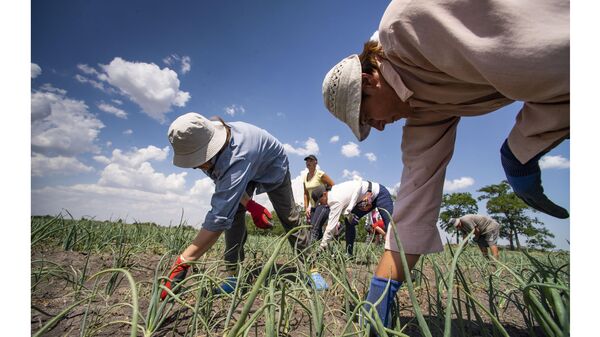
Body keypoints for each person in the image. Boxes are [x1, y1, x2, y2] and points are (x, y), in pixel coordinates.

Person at [321, 0, 569, 330]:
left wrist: (520, 148)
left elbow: (560, 59)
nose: (378, 127)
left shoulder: (411, 29)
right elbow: (414, 204)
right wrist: (380, 293)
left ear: (368, 81)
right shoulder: (421, 112)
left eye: (368, 118)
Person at [160, 112, 317, 300]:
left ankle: (312, 267)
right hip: (246, 164)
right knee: (234, 215)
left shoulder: (238, 156)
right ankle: (233, 275)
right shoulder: (204, 143)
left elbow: (218, 218)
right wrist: (250, 204)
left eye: (198, 162)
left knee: (289, 217)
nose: (198, 167)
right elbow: (228, 192)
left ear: (210, 149)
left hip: (273, 166)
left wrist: (184, 261)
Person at [311, 179, 393, 257]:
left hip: (380, 193)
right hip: (365, 200)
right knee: (349, 221)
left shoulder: (335, 200)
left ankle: (396, 253)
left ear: (325, 194)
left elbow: (330, 228)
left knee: (391, 225)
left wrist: (320, 249)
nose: (321, 204)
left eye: (320, 201)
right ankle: (349, 254)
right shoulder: (334, 194)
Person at [302, 155, 335, 242]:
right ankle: (322, 252)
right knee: (316, 229)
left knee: (314, 228)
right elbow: (305, 194)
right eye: (307, 161)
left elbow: (333, 185)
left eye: (310, 160)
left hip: (322, 205)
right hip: (313, 207)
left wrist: (325, 195)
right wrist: (306, 208)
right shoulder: (305, 177)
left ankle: (311, 250)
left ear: (316, 162)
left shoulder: (320, 174)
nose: (308, 162)